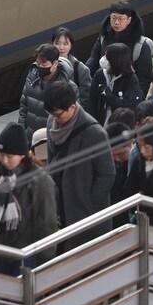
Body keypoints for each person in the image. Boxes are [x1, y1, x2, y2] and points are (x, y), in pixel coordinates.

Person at [0, 124, 60, 274]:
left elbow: (47, 221)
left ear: (22, 155)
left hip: (28, 254)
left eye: (10, 156)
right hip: (0, 251)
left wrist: (45, 259)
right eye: (1, 155)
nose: (5, 160)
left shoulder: (39, 180)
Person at [42, 81, 115, 245]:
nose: (55, 119)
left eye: (59, 114)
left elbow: (107, 174)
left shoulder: (94, 133)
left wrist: (89, 202)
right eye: (52, 114)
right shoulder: (51, 123)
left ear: (72, 107)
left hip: (86, 213)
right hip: (60, 205)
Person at [88, 2, 153, 89]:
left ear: (129, 20)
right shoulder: (103, 38)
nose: (116, 22)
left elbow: (144, 79)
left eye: (121, 19)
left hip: (127, 93)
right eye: (113, 18)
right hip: (104, 88)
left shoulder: (140, 45)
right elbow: (93, 59)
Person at [19, 44, 81, 134]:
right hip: (31, 137)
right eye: (37, 63)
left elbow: (73, 117)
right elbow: (23, 108)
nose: (39, 66)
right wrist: (21, 132)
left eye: (44, 63)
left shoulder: (68, 87)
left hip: (53, 137)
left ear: (55, 64)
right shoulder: (31, 79)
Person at [89, 42, 144, 122]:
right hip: (100, 122)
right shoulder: (100, 74)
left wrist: (108, 95)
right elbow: (92, 100)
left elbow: (130, 105)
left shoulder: (131, 78)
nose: (103, 59)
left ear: (116, 60)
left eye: (107, 57)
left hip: (121, 124)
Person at [51, 28, 96, 105]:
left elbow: (85, 99)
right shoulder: (45, 64)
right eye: (57, 43)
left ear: (71, 45)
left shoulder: (81, 69)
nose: (61, 48)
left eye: (65, 44)